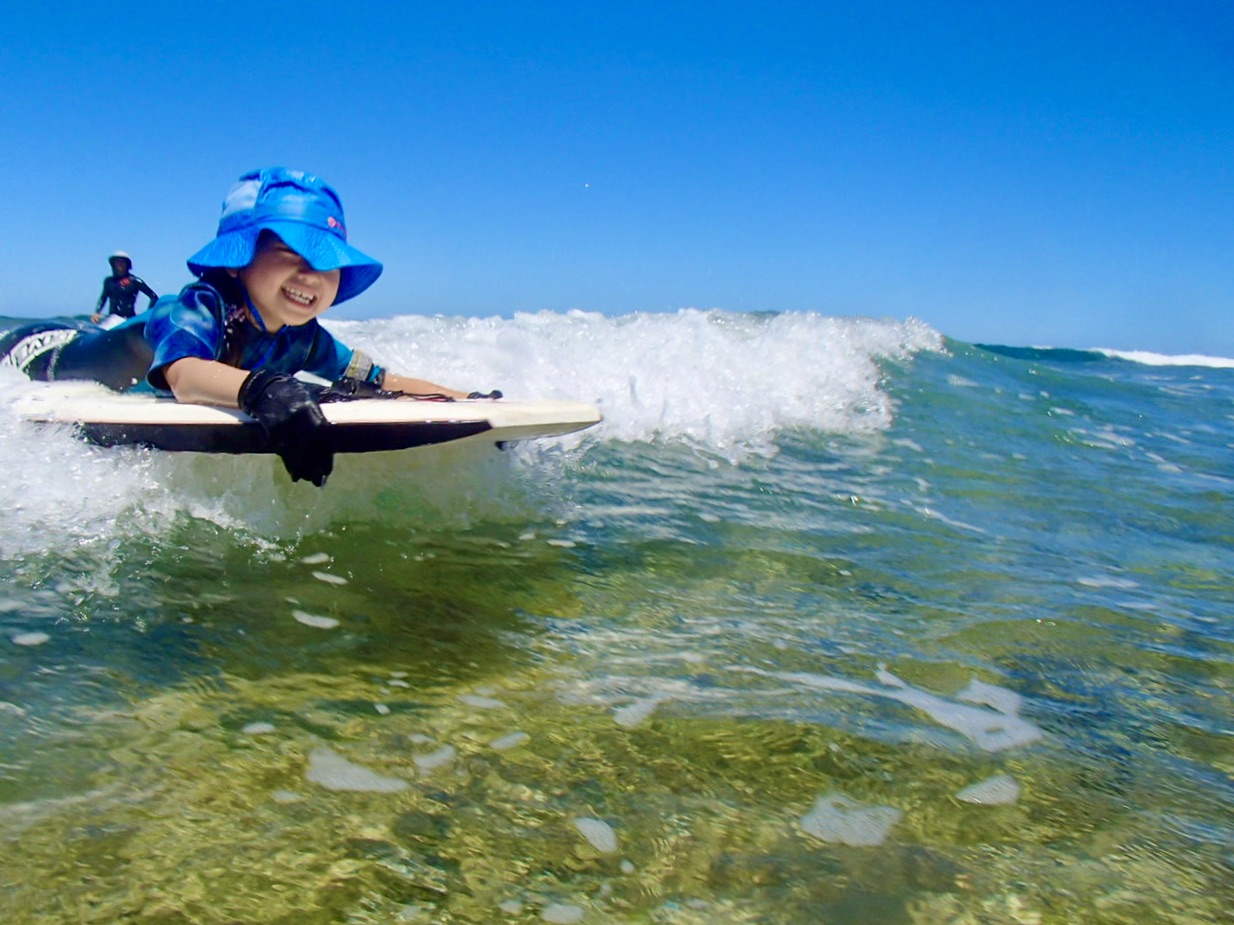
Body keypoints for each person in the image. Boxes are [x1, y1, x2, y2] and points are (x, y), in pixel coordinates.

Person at [0, 167, 498, 487]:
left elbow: (382, 381)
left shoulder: (307, 339)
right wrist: (266, 391)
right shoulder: (198, 307)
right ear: (237, 261)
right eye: (289, 252)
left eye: (327, 262)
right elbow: (184, 374)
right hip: (40, 353)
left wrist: (467, 401)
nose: (311, 275)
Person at [92, 251, 158, 323]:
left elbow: (154, 297)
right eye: (117, 262)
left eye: (122, 262)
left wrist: (147, 314)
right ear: (113, 264)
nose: (120, 264)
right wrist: (97, 312)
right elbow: (103, 298)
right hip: (112, 319)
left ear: (127, 264)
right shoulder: (109, 281)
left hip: (129, 319)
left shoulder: (135, 281)